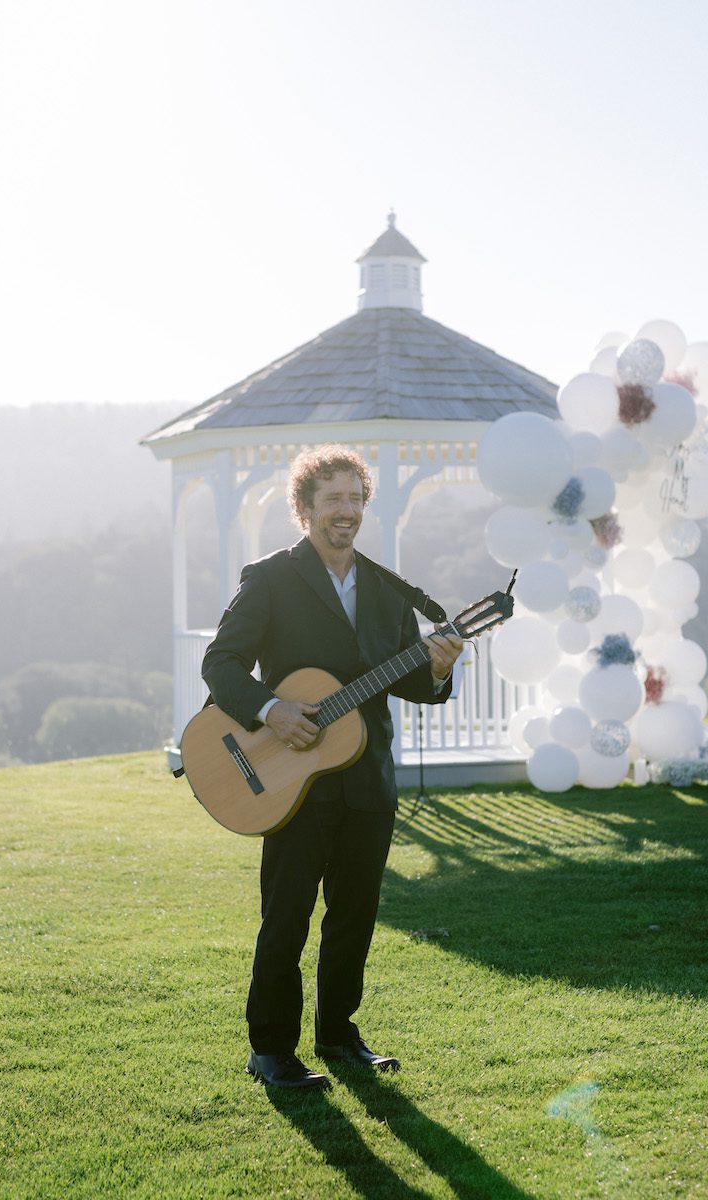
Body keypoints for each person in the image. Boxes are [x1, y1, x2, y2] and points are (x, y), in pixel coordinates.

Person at [201, 445, 462, 1090]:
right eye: (332, 500)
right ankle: (270, 1050)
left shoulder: (387, 587)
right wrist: (271, 710)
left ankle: (339, 1035)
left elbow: (405, 680)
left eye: (355, 499)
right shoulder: (270, 578)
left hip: (367, 774)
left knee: (355, 914)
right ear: (305, 507)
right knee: (286, 914)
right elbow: (220, 665)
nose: (345, 512)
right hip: (288, 779)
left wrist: (440, 667)